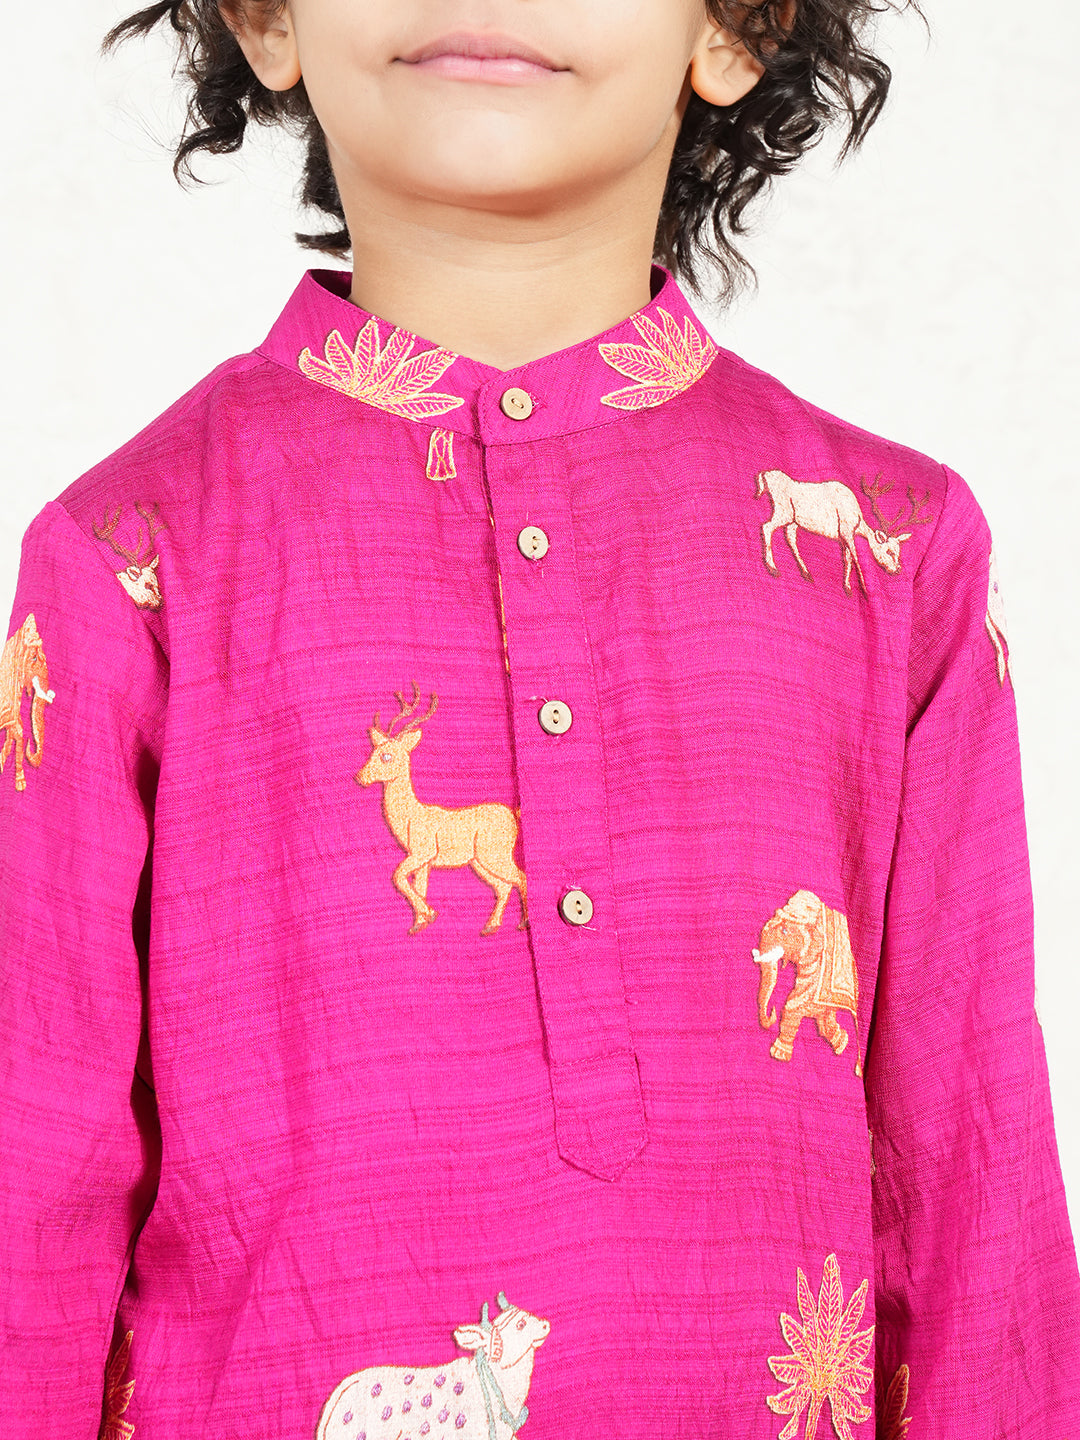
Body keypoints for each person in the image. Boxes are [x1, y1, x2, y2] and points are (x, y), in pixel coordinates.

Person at [1, 0, 1077, 1435]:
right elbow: (32, 1181)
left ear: (734, 30)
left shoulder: (894, 554)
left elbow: (974, 1194)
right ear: (267, 19)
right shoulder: (132, 556)